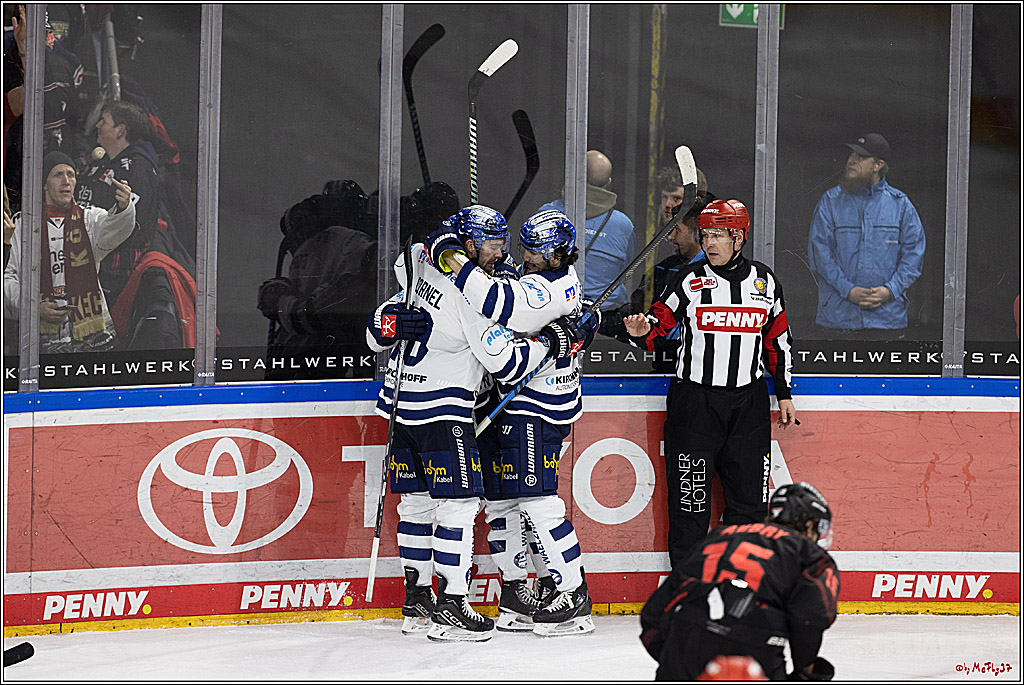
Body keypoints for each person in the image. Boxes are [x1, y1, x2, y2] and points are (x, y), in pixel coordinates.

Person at [365, 205, 588, 643]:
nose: (503, 253)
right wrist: (551, 341)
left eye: (509, 245)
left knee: (417, 502)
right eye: (492, 244)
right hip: (442, 407)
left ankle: (418, 602)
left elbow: (377, 330)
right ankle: (450, 603)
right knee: (460, 505)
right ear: (467, 244)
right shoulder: (474, 295)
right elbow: (504, 361)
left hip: (398, 402)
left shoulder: (419, 261)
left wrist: (388, 324)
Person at [426, 208, 600, 636]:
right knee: (502, 505)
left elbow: (497, 306)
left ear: (558, 254)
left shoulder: (548, 289)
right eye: (524, 247)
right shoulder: (539, 277)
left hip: (536, 408)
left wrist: (456, 260)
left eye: (535, 251)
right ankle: (517, 593)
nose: (525, 257)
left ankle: (575, 595)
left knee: (540, 503)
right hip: (510, 406)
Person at [623, 198, 796, 569]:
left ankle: (740, 583)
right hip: (694, 404)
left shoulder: (764, 283)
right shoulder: (687, 280)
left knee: (750, 503)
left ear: (739, 237)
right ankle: (689, 588)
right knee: (690, 502)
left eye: (719, 235)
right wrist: (642, 332)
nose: (710, 244)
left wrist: (783, 393)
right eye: (705, 235)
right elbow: (659, 326)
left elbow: (778, 340)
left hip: (748, 406)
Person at [640, 482, 840, 681]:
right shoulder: (812, 556)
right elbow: (811, 618)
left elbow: (653, 612)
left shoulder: (720, 536)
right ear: (808, 524)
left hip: (686, 637)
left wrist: (674, 656)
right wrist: (805, 672)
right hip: (755, 646)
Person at [3, 151, 135, 353]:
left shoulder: (90, 218)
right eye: (58, 175)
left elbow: (116, 227)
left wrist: (125, 206)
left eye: (71, 175)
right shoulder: (21, 226)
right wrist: (33, 307)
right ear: (44, 184)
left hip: (93, 336)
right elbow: (7, 277)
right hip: (39, 339)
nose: (66, 181)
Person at [807, 133, 925, 335]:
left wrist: (890, 290)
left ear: (878, 165)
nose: (851, 161)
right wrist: (849, 290)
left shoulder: (901, 205)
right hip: (838, 318)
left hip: (887, 319)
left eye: (861, 157)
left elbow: (914, 255)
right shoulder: (830, 201)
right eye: (851, 155)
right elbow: (820, 254)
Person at [538, 150, 635, 338]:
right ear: (608, 183)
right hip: (608, 323)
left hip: (554, 319)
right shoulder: (624, 226)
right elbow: (626, 270)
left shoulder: (547, 215)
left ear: (575, 176)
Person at [75, 100, 162, 302]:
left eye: (104, 121)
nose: (98, 125)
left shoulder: (139, 168)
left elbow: (127, 227)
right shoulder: (100, 163)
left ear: (120, 131)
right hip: (82, 259)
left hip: (113, 274)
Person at [629, 190, 715, 373]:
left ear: (698, 235)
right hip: (673, 375)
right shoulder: (663, 271)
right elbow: (649, 328)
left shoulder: (733, 277)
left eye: (677, 230)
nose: (670, 237)